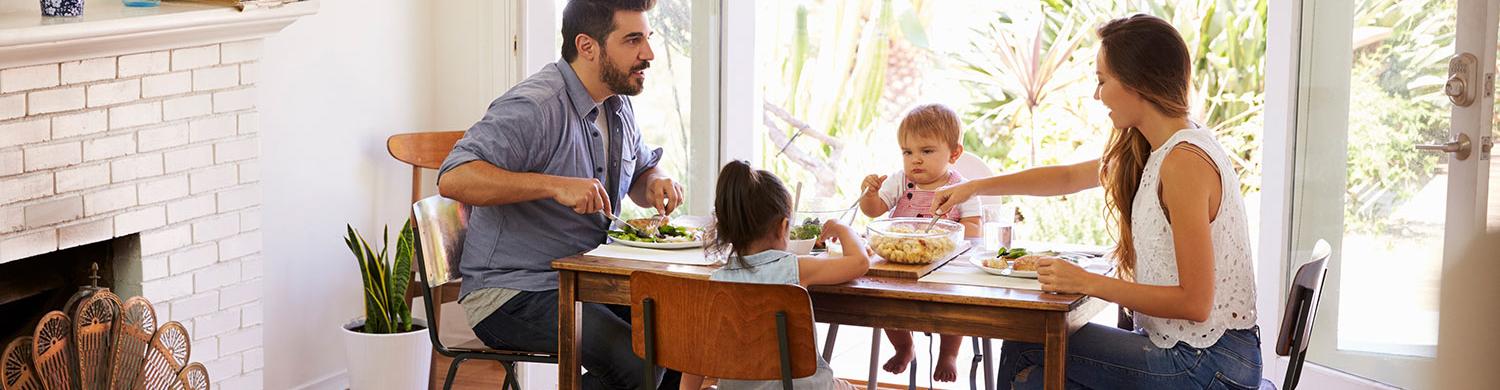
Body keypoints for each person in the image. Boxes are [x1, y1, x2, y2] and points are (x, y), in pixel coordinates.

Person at [930, 14, 1262, 389]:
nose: (1096, 94)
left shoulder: (1184, 161)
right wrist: (975, 187)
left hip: (1207, 364)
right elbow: (1068, 176)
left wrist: (1087, 281)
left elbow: (1194, 303)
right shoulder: (1153, 149)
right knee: (1032, 370)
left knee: (1027, 351)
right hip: (1193, 353)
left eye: (1102, 81)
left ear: (1138, 82)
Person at [436, 1, 685, 388]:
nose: (648, 54)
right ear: (587, 46)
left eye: (648, 38)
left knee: (680, 343)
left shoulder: (616, 104)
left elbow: (640, 169)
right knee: (637, 364)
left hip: (585, 282)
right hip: (512, 292)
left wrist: (655, 181)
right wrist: (553, 185)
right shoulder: (536, 105)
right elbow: (454, 177)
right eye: (633, 40)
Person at [680, 160, 870, 390]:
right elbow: (859, 262)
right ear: (783, 227)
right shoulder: (794, 268)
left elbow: (695, 361)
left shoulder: (716, 283)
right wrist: (842, 228)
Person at [856, 103, 981, 382]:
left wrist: (947, 234)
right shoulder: (901, 181)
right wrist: (868, 194)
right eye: (907, 152)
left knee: (954, 307)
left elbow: (973, 228)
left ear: (954, 153)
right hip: (900, 262)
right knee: (885, 304)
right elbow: (874, 210)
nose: (916, 160)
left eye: (926, 151)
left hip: (943, 265)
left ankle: (948, 352)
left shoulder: (963, 188)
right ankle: (904, 346)